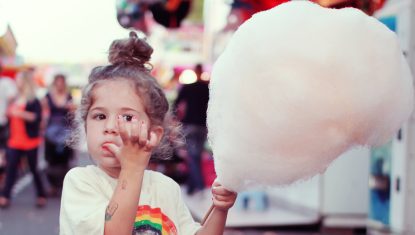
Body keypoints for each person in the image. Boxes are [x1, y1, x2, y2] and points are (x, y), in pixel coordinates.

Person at [60, 32, 237, 235]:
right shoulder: (82, 182)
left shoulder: (165, 188)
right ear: (85, 125)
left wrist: (220, 209)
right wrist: (132, 167)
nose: (110, 127)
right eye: (99, 116)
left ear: (154, 133)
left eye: (127, 117)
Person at [0, 70, 47, 208]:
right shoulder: (14, 98)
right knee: (11, 168)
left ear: (25, 81)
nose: (16, 82)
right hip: (14, 140)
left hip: (29, 141)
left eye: (19, 80)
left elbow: (36, 118)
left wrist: (20, 113)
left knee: (33, 169)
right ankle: (5, 196)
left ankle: (41, 194)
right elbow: (8, 114)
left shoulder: (33, 100)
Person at [174, 63, 209, 195]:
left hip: (189, 125)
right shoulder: (207, 88)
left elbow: (177, 104)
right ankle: (191, 187)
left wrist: (177, 118)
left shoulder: (188, 87)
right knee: (196, 156)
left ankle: (199, 186)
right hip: (202, 125)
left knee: (192, 156)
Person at [41, 74, 75, 197]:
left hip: (65, 131)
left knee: (64, 160)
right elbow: (44, 114)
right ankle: (53, 186)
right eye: (58, 82)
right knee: (51, 160)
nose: (60, 84)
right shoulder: (48, 96)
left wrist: (72, 110)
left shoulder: (69, 96)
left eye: (62, 82)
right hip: (51, 132)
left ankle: (62, 185)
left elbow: (72, 114)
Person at [0, 63, 17, 186]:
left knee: (3, 151)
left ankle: (3, 176)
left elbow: (12, 97)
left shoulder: (6, 82)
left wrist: (8, 110)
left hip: (3, 122)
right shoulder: (6, 82)